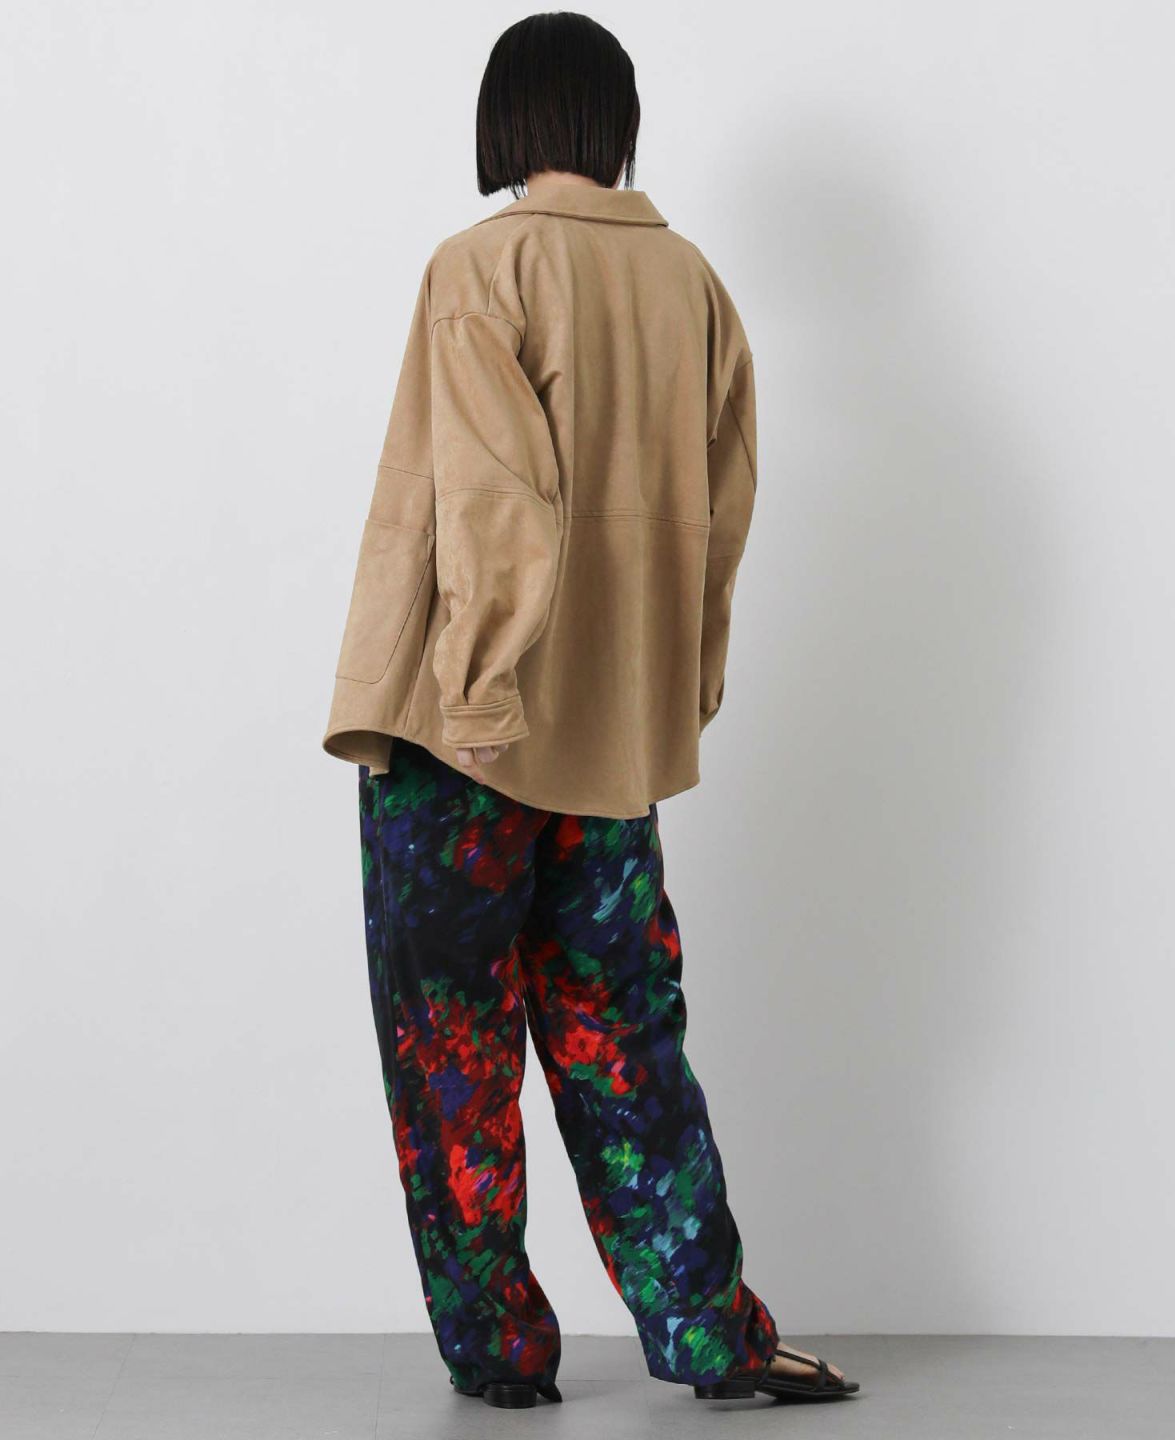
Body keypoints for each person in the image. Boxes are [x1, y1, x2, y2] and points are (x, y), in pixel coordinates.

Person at [322, 10, 860, 1411]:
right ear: (615, 123)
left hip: (467, 732)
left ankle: (502, 1352)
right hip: (609, 744)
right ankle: (710, 1330)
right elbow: (722, 523)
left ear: (508, 121)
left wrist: (482, 690)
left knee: (451, 1047)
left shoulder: (481, 266)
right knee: (624, 1034)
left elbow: (491, 500)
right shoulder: (695, 285)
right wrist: (671, 697)